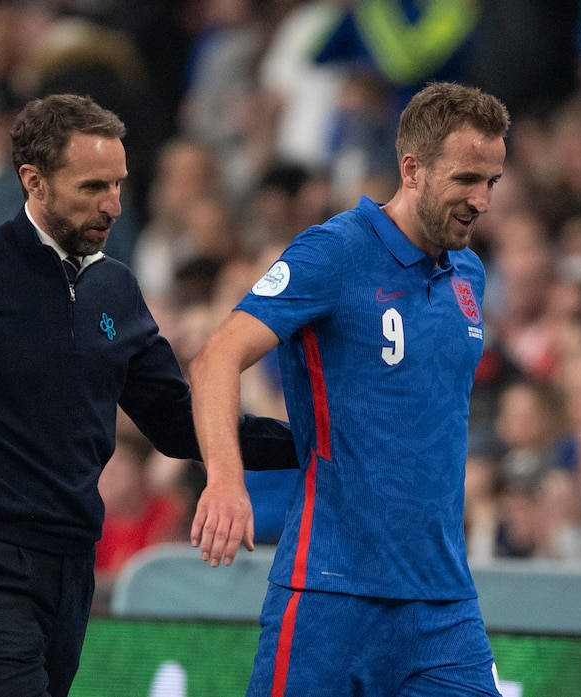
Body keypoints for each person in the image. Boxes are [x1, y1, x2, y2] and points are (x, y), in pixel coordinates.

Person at [0, 94, 295, 697]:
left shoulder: (115, 288)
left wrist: (311, 440)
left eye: (119, 184)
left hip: (71, 564)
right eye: (92, 187)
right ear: (34, 182)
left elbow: (180, 426)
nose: (113, 205)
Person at [189, 82, 510, 696]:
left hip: (444, 603)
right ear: (412, 169)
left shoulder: (468, 272)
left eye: (492, 181)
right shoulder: (334, 253)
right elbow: (216, 358)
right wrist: (226, 481)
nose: (483, 200)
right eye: (467, 179)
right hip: (331, 592)